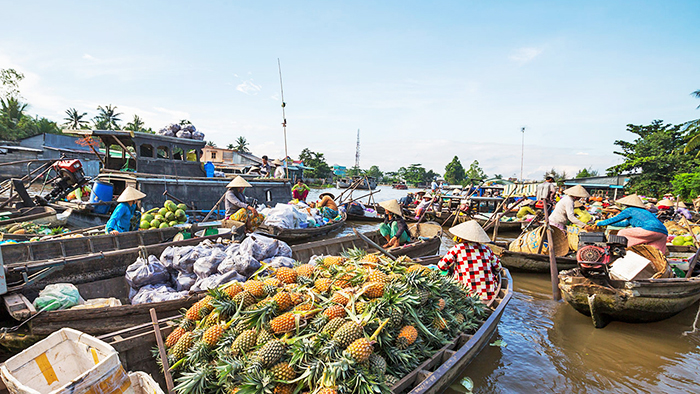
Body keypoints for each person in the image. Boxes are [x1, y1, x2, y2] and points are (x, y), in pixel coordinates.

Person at [438, 220, 502, 301]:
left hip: (466, 295)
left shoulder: (458, 248)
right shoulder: (486, 249)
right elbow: (498, 268)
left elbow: (441, 266)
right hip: (488, 295)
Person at [595, 194, 668, 253]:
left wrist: (599, 223)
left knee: (622, 232)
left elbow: (615, 219)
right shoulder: (644, 212)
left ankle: (619, 253)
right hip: (663, 233)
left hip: (649, 229)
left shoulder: (629, 210)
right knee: (656, 253)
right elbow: (624, 224)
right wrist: (606, 224)